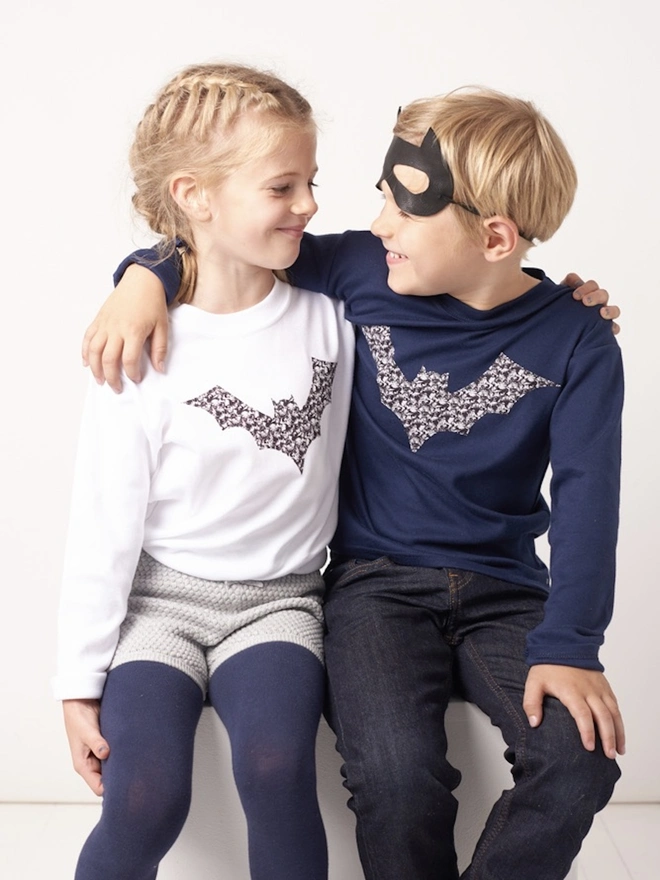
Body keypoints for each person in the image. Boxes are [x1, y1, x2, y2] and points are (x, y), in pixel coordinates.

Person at [81, 87, 624, 880]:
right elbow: (221, 239)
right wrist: (140, 276)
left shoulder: (578, 341)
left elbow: (588, 500)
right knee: (397, 777)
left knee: (581, 762)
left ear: (498, 236)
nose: (377, 225)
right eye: (380, 198)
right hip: (376, 590)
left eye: (403, 210)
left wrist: (572, 645)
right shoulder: (367, 271)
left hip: (509, 592)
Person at [53, 61, 355, 880]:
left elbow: (450, 291)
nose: (311, 206)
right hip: (160, 607)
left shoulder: (336, 315)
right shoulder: (144, 343)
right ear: (196, 194)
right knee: (145, 796)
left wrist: (553, 297)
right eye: (283, 186)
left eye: (312, 182)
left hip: (281, 602)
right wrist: (78, 681)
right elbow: (105, 518)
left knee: (275, 770)